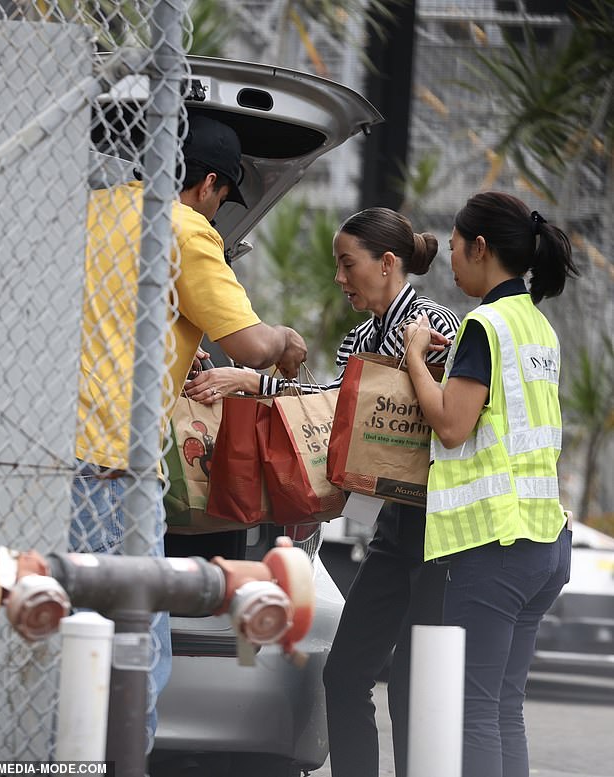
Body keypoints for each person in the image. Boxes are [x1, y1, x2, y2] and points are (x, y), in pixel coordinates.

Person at [186, 207, 461, 777]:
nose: (339, 278)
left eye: (347, 264)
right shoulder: (361, 337)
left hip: (442, 531)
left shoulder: (439, 328)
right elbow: (330, 406)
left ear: (387, 264)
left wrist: (253, 380)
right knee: (345, 676)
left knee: (417, 685)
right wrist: (257, 385)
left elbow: (409, 410)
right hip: (393, 528)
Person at [70, 114, 307, 751]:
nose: (220, 210)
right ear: (207, 184)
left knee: (63, 622)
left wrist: (183, 347)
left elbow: (115, 319)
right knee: (138, 637)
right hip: (115, 456)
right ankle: (119, 761)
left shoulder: (95, 211)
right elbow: (252, 344)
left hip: (51, 451)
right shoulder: (184, 228)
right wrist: (286, 339)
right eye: (224, 197)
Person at [403, 191, 578, 777]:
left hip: (495, 549)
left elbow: (452, 425)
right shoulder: (537, 325)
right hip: (545, 544)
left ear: (480, 248)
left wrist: (413, 356)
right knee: (504, 709)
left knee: (474, 711)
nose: (450, 261)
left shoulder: (485, 324)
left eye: (453, 248)